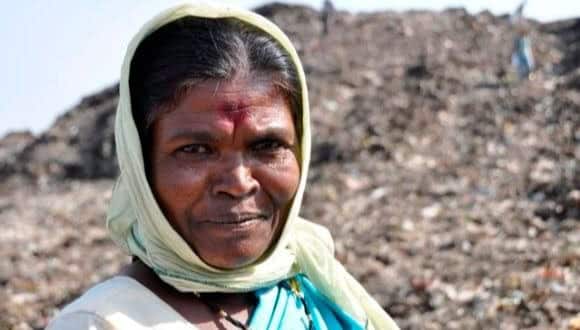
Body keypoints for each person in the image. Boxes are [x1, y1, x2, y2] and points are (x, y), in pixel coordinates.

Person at [47, 3, 399, 330]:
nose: (238, 182)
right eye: (196, 149)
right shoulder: (101, 323)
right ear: (141, 165)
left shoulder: (316, 292)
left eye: (267, 146)